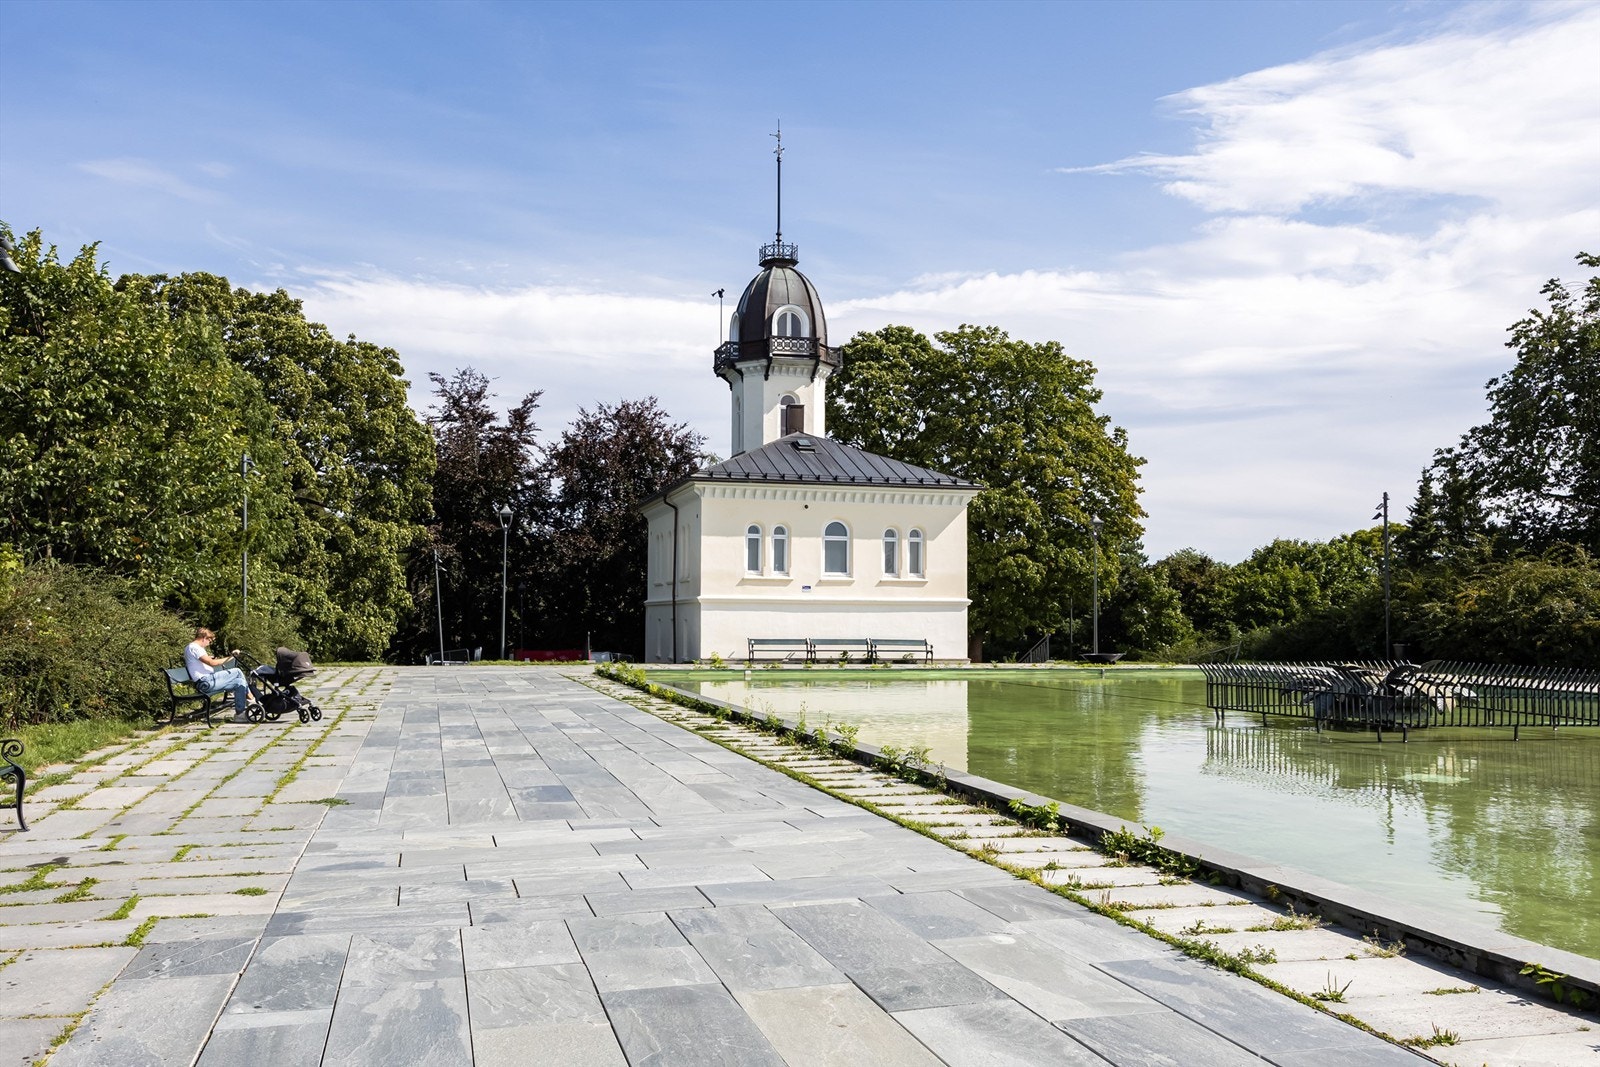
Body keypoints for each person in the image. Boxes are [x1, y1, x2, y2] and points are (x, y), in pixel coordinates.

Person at [184, 628, 257, 723]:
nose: (209, 644)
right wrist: (231, 657)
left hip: (208, 681)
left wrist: (209, 658)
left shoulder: (193, 648)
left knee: (240, 683)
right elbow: (212, 663)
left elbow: (201, 662)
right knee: (237, 671)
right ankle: (252, 701)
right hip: (205, 682)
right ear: (204, 638)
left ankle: (240, 714)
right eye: (209, 641)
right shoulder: (194, 647)